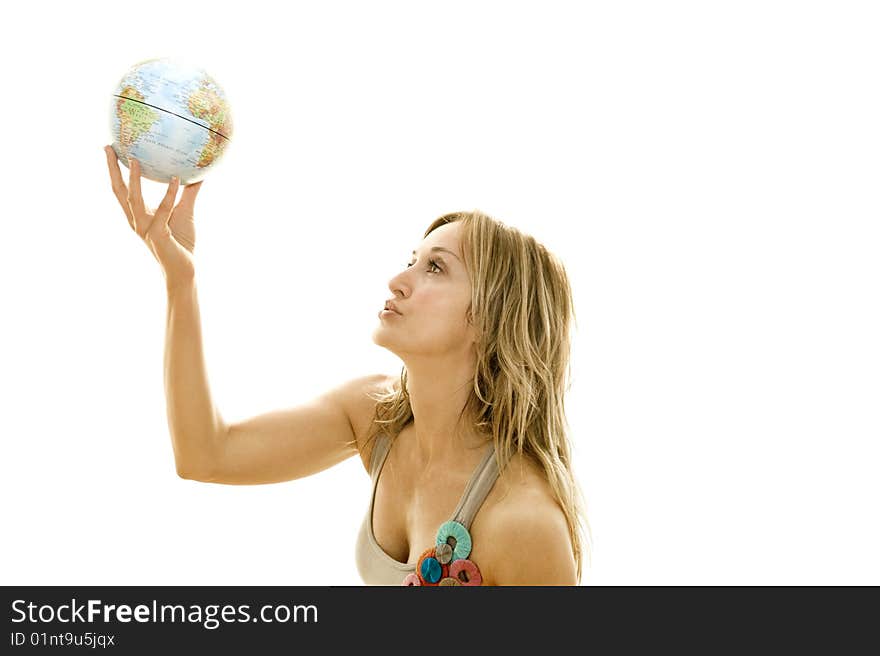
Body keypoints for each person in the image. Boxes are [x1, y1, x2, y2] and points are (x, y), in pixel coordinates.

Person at [103, 145, 591, 585]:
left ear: (491, 319)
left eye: (435, 268)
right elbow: (205, 455)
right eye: (412, 259)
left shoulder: (525, 521)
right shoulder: (375, 415)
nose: (398, 280)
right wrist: (179, 278)